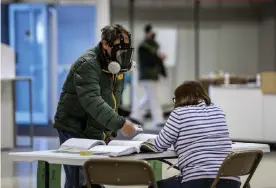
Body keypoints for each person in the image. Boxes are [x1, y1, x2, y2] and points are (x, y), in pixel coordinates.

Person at [53, 24, 137, 188]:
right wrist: (119, 123)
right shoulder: (88, 64)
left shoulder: (116, 67)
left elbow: (113, 100)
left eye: (126, 49)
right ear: (106, 44)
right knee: (79, 180)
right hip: (74, 128)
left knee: (93, 179)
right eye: (120, 48)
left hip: (95, 128)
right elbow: (92, 100)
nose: (124, 54)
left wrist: (109, 132)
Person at [150, 81, 241, 188]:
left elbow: (159, 145)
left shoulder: (179, 113)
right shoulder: (218, 110)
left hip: (198, 181)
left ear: (181, 98)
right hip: (231, 182)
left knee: (154, 186)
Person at [129, 24, 167, 127]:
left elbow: (156, 60)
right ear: (147, 32)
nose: (153, 34)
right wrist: (159, 58)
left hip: (153, 76)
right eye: (151, 32)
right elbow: (147, 61)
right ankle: (158, 119)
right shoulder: (144, 46)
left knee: (149, 97)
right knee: (154, 98)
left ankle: (136, 116)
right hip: (147, 75)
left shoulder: (155, 46)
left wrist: (162, 68)